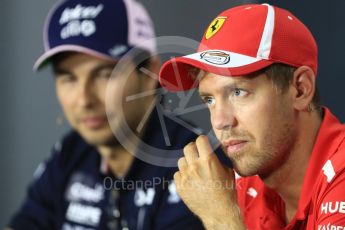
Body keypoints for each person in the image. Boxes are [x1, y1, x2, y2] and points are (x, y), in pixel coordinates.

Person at [7, 0, 205, 229]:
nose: (84, 99)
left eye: (105, 74)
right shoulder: (70, 153)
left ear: (149, 72)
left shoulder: (195, 164)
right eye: (68, 78)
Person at [159, 3, 345, 230]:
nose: (219, 122)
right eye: (209, 100)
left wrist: (221, 218)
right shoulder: (246, 183)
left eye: (238, 92)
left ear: (300, 89)